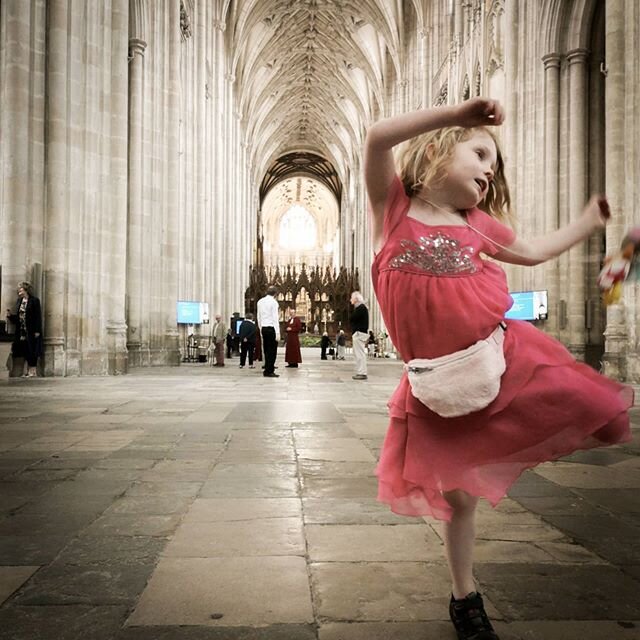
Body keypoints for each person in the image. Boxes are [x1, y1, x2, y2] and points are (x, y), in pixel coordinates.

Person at [364, 96, 633, 640]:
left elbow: (533, 251)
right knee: (457, 499)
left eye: (495, 164)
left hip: (497, 355)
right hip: (436, 382)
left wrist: (587, 222)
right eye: (480, 152)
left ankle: (467, 603)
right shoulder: (392, 209)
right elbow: (376, 138)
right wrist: (456, 113)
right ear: (440, 148)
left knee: (587, 398)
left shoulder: (477, 226)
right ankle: (464, 597)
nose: (490, 168)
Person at [6, 282, 42, 378]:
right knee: (25, 350)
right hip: (22, 331)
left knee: (32, 350)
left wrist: (37, 330)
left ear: (26, 290)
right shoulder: (20, 301)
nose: (19, 292)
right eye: (19, 290)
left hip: (31, 330)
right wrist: (10, 317)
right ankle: (27, 371)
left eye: (21, 290)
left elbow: (37, 316)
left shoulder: (34, 301)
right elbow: (19, 317)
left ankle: (33, 371)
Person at [257, 285, 280, 377]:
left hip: (264, 328)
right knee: (272, 350)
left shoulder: (260, 301)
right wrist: (277, 332)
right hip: (271, 328)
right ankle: (269, 370)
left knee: (266, 350)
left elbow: (259, 317)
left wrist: (260, 329)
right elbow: (275, 318)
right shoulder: (274, 302)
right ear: (275, 294)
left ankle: (266, 368)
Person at [349, 291, 369, 380]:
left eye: (351, 298)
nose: (350, 300)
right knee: (358, 354)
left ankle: (362, 372)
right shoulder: (361, 308)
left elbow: (352, 318)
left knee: (360, 354)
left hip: (359, 333)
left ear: (356, 299)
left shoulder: (361, 308)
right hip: (360, 333)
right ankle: (360, 372)